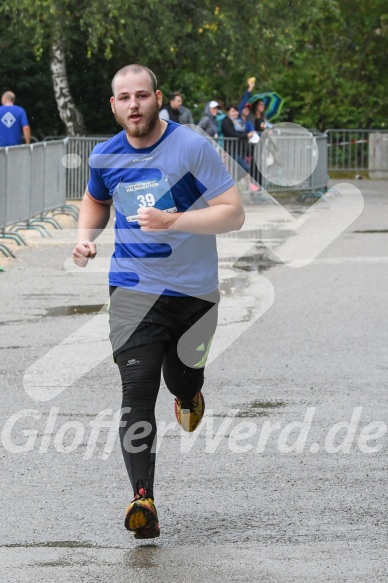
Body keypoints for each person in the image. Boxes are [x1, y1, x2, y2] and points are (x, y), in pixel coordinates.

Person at [72, 64, 244, 540]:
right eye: (124, 98)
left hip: (194, 292)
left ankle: (189, 394)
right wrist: (86, 238)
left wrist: (176, 222)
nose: (134, 105)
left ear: (158, 98)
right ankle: (142, 498)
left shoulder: (191, 146)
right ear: (113, 105)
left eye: (142, 96)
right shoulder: (105, 156)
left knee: (181, 378)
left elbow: (233, 214)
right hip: (132, 288)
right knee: (137, 391)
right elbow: (95, 201)